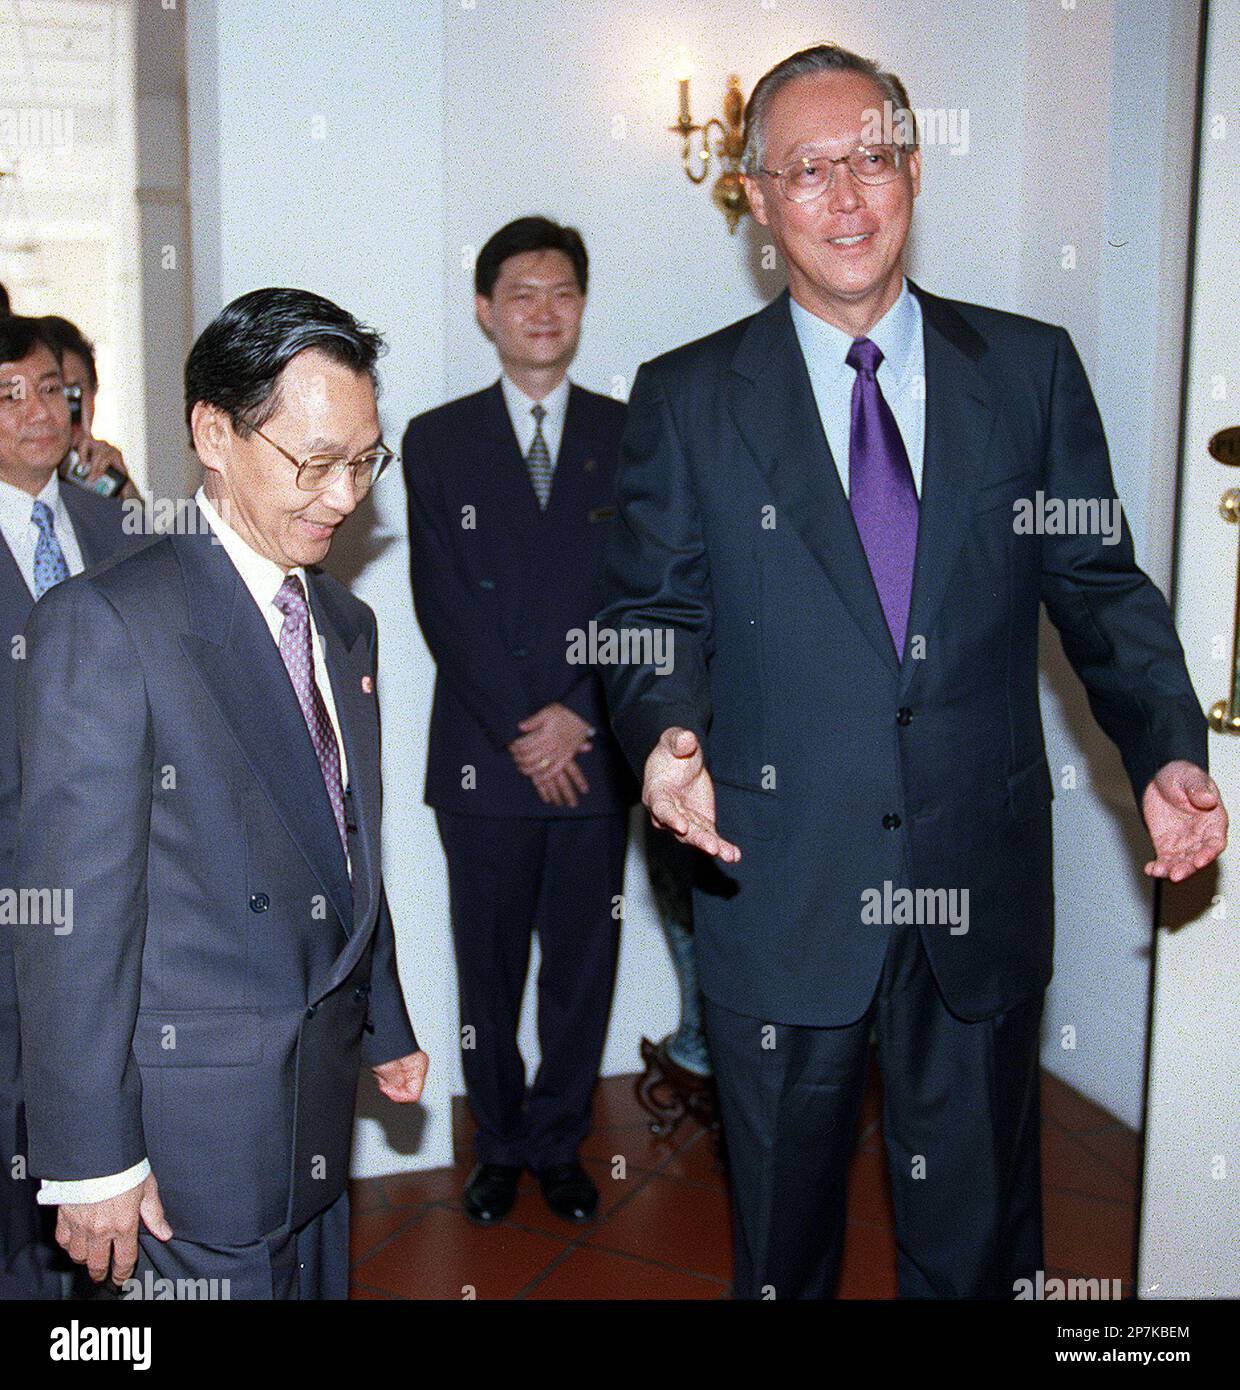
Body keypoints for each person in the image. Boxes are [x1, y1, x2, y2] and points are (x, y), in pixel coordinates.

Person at [597, 43, 1226, 1299]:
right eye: (809, 170)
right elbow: (647, 613)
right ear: (759, 201)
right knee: (784, 1245)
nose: (846, 196)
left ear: (914, 170)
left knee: (982, 1241)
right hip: (778, 887)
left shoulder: (1028, 371)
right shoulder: (685, 398)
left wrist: (1166, 747)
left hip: (973, 882)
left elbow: (1098, 587)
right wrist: (666, 730)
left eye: (871, 158)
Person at [11, 288, 428, 1299]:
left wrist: (385, 1021)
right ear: (212, 432)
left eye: (364, 462)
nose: (341, 497)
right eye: (314, 462)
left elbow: (343, 840)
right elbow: (75, 918)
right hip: (184, 1148)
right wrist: (91, 1156)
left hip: (313, 1117)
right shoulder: (109, 622)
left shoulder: (342, 620)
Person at [403, 217, 632, 1225]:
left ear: (582, 307)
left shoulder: (632, 435)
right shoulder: (436, 438)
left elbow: (649, 594)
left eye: (563, 292)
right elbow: (441, 598)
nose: (544, 310)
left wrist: (579, 716)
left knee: (584, 967)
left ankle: (558, 1140)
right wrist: (522, 725)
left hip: (595, 753)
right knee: (486, 970)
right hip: (482, 762)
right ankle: (497, 1143)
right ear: (487, 309)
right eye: (523, 293)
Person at [0, 315, 131, 1298]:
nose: (38, 412)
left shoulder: (115, 526)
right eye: (6, 396)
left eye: (51, 388)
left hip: (115, 887)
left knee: (96, 1111)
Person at [37, 316, 136, 499]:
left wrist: (127, 495)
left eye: (72, 394)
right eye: (50, 391)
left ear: (93, 393)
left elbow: (139, 526)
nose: (65, 410)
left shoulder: (106, 476)